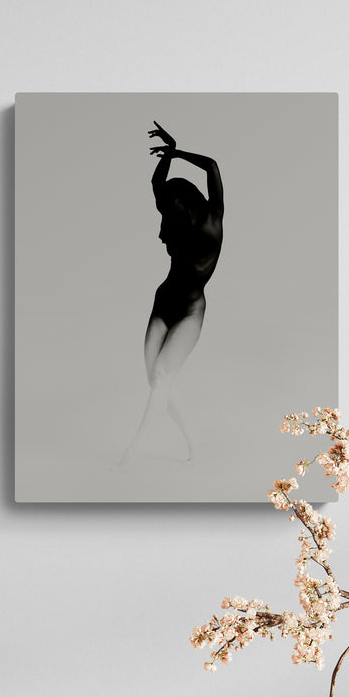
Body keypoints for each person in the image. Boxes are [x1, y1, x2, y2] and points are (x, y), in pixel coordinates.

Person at [119, 121, 224, 465]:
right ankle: (195, 438)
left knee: (162, 377)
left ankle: (135, 451)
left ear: (189, 215)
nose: (162, 235)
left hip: (190, 312)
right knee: (156, 380)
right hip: (164, 302)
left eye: (169, 224)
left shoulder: (211, 223)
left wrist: (179, 153)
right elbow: (156, 183)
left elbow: (212, 166)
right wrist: (170, 152)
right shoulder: (173, 208)